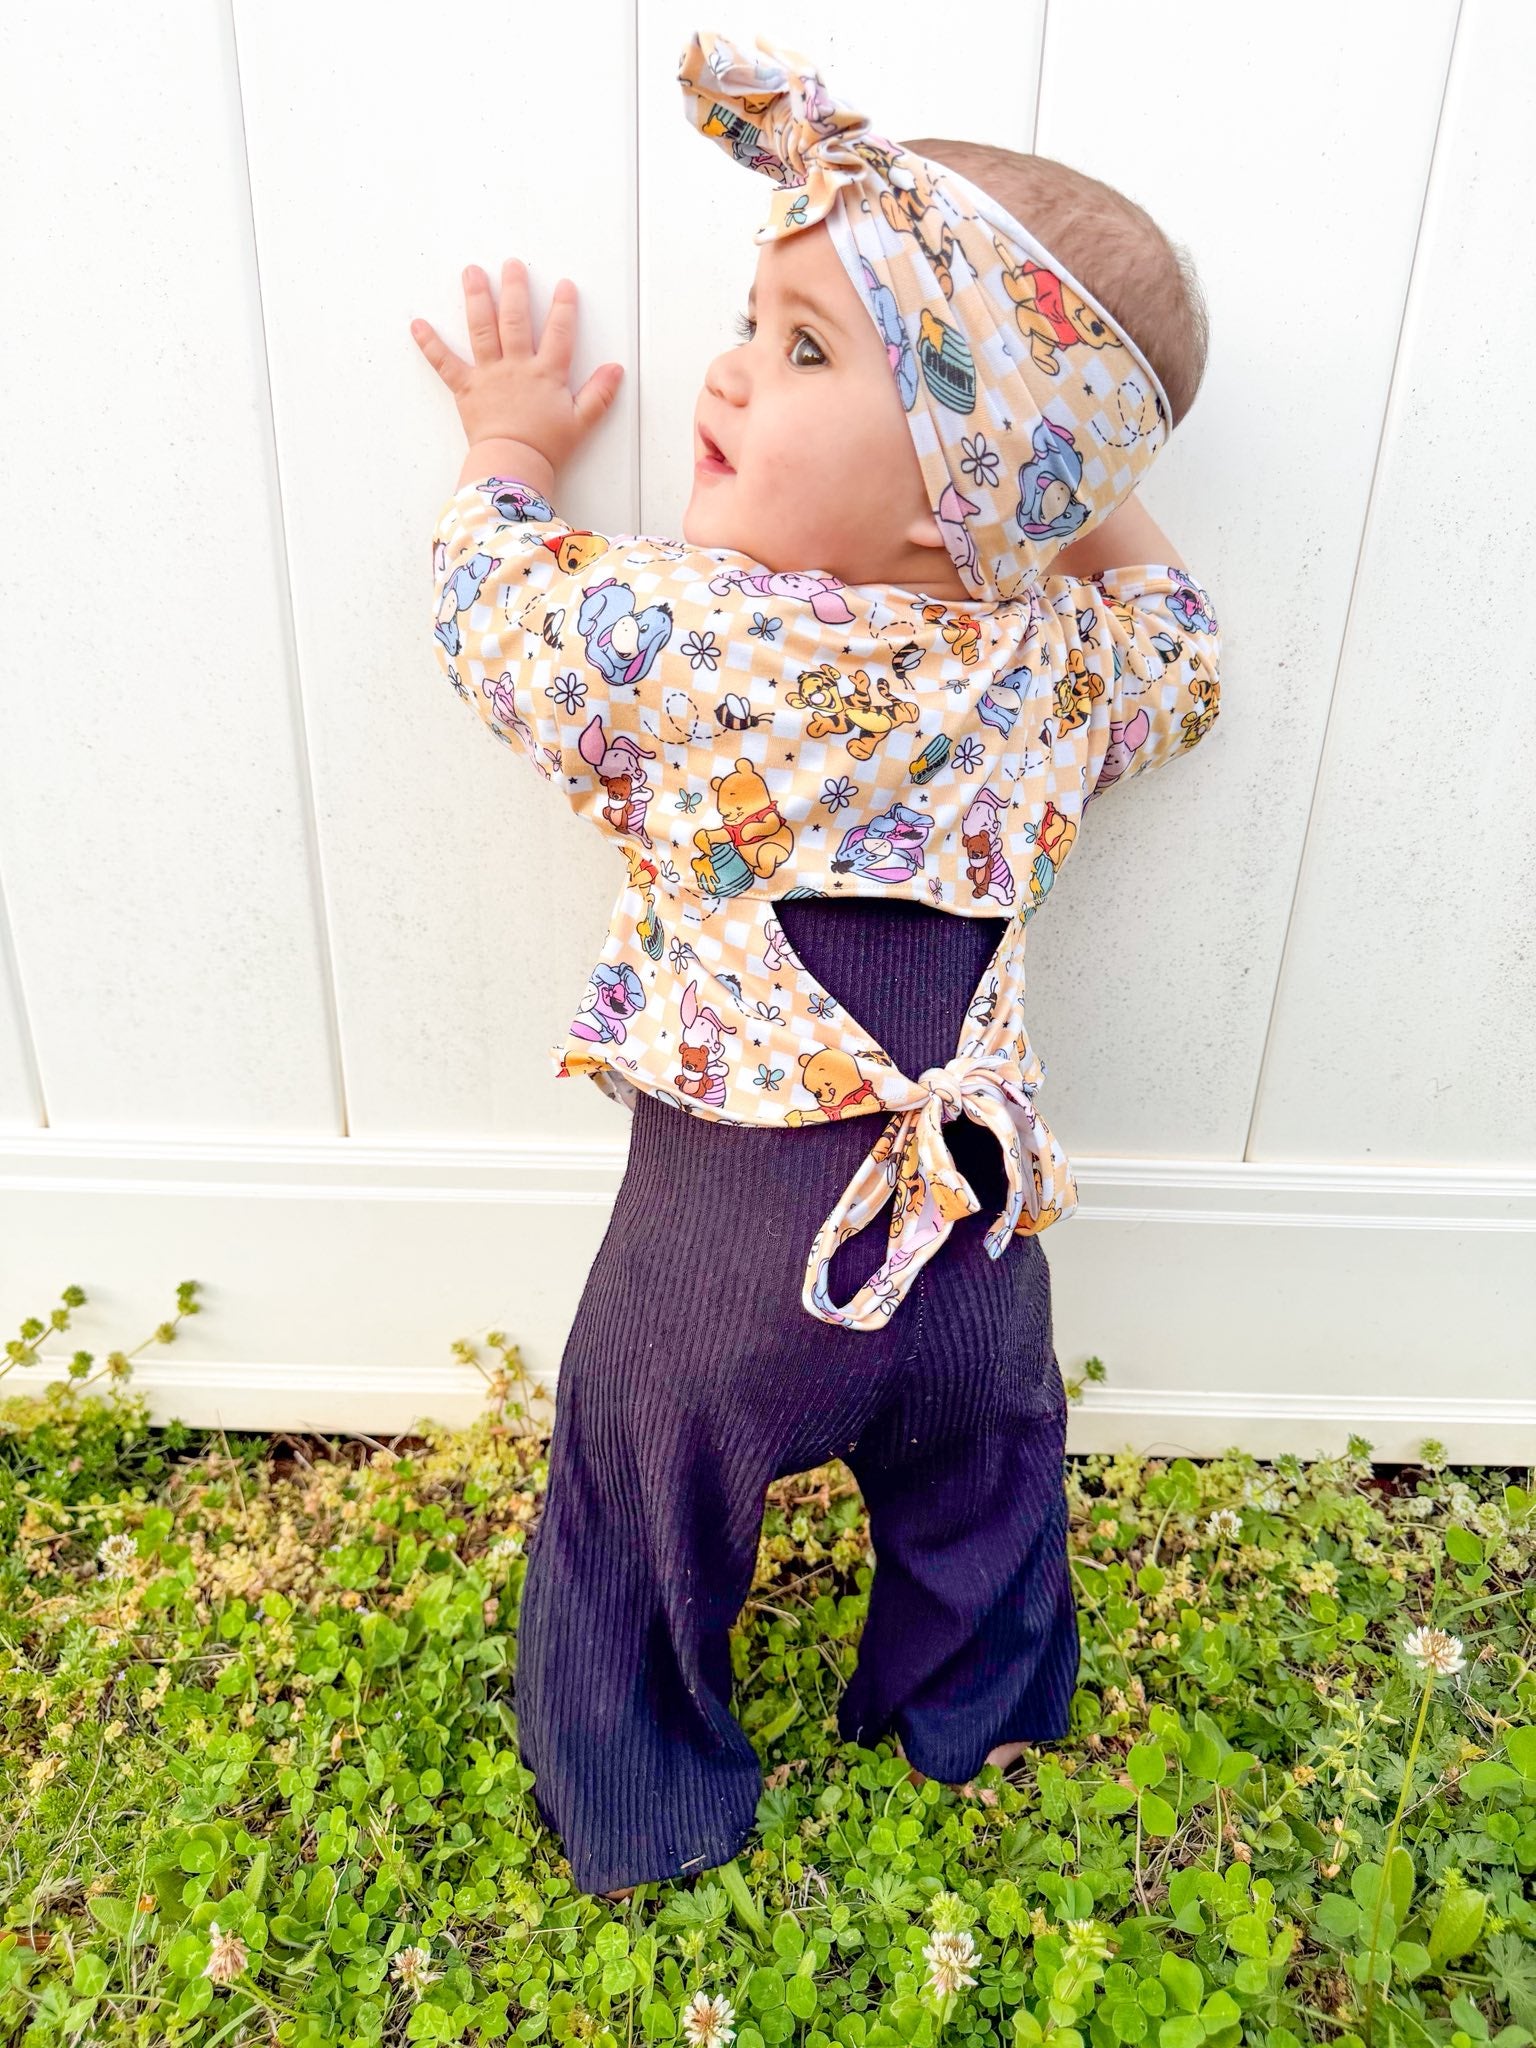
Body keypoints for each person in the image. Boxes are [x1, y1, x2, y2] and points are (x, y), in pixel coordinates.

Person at [412, 28, 1223, 1898]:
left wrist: (506, 446)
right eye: (753, 322)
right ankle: (972, 1720)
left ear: (956, 485)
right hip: (970, 1244)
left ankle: (642, 1794)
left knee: (637, 1491)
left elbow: (488, 608)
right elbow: (1180, 638)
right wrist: (1065, 488)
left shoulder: (675, 636)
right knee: (991, 1477)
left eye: (802, 350)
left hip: (728, 1269)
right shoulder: (1055, 669)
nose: (727, 368)